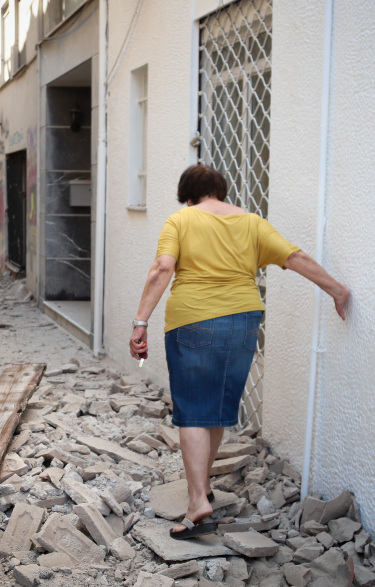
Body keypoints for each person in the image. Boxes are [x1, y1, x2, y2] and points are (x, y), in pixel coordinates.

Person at [129, 164, 349, 540]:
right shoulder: (252, 223)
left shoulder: (181, 220)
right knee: (213, 409)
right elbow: (295, 257)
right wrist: (337, 291)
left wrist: (141, 321)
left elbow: (161, 269)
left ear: (188, 196)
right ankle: (203, 487)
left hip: (193, 321)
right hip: (242, 322)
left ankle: (197, 499)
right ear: (221, 192)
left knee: (193, 413)